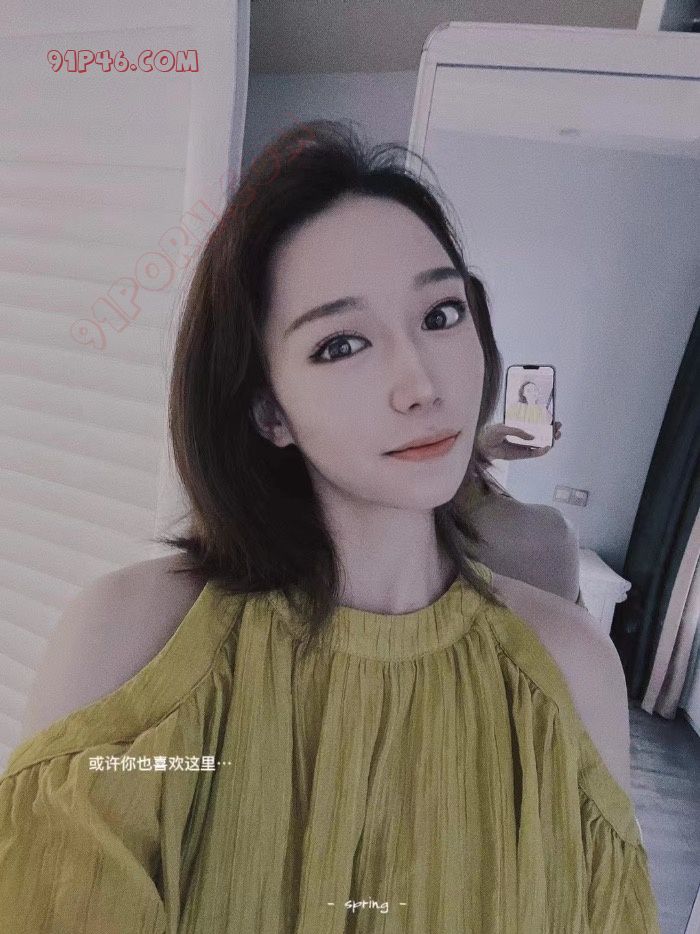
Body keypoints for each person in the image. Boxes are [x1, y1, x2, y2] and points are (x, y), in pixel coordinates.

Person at [0, 120, 659, 932]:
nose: (422, 384)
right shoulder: (132, 641)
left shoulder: (573, 668)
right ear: (269, 412)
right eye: (342, 344)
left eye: (441, 313)